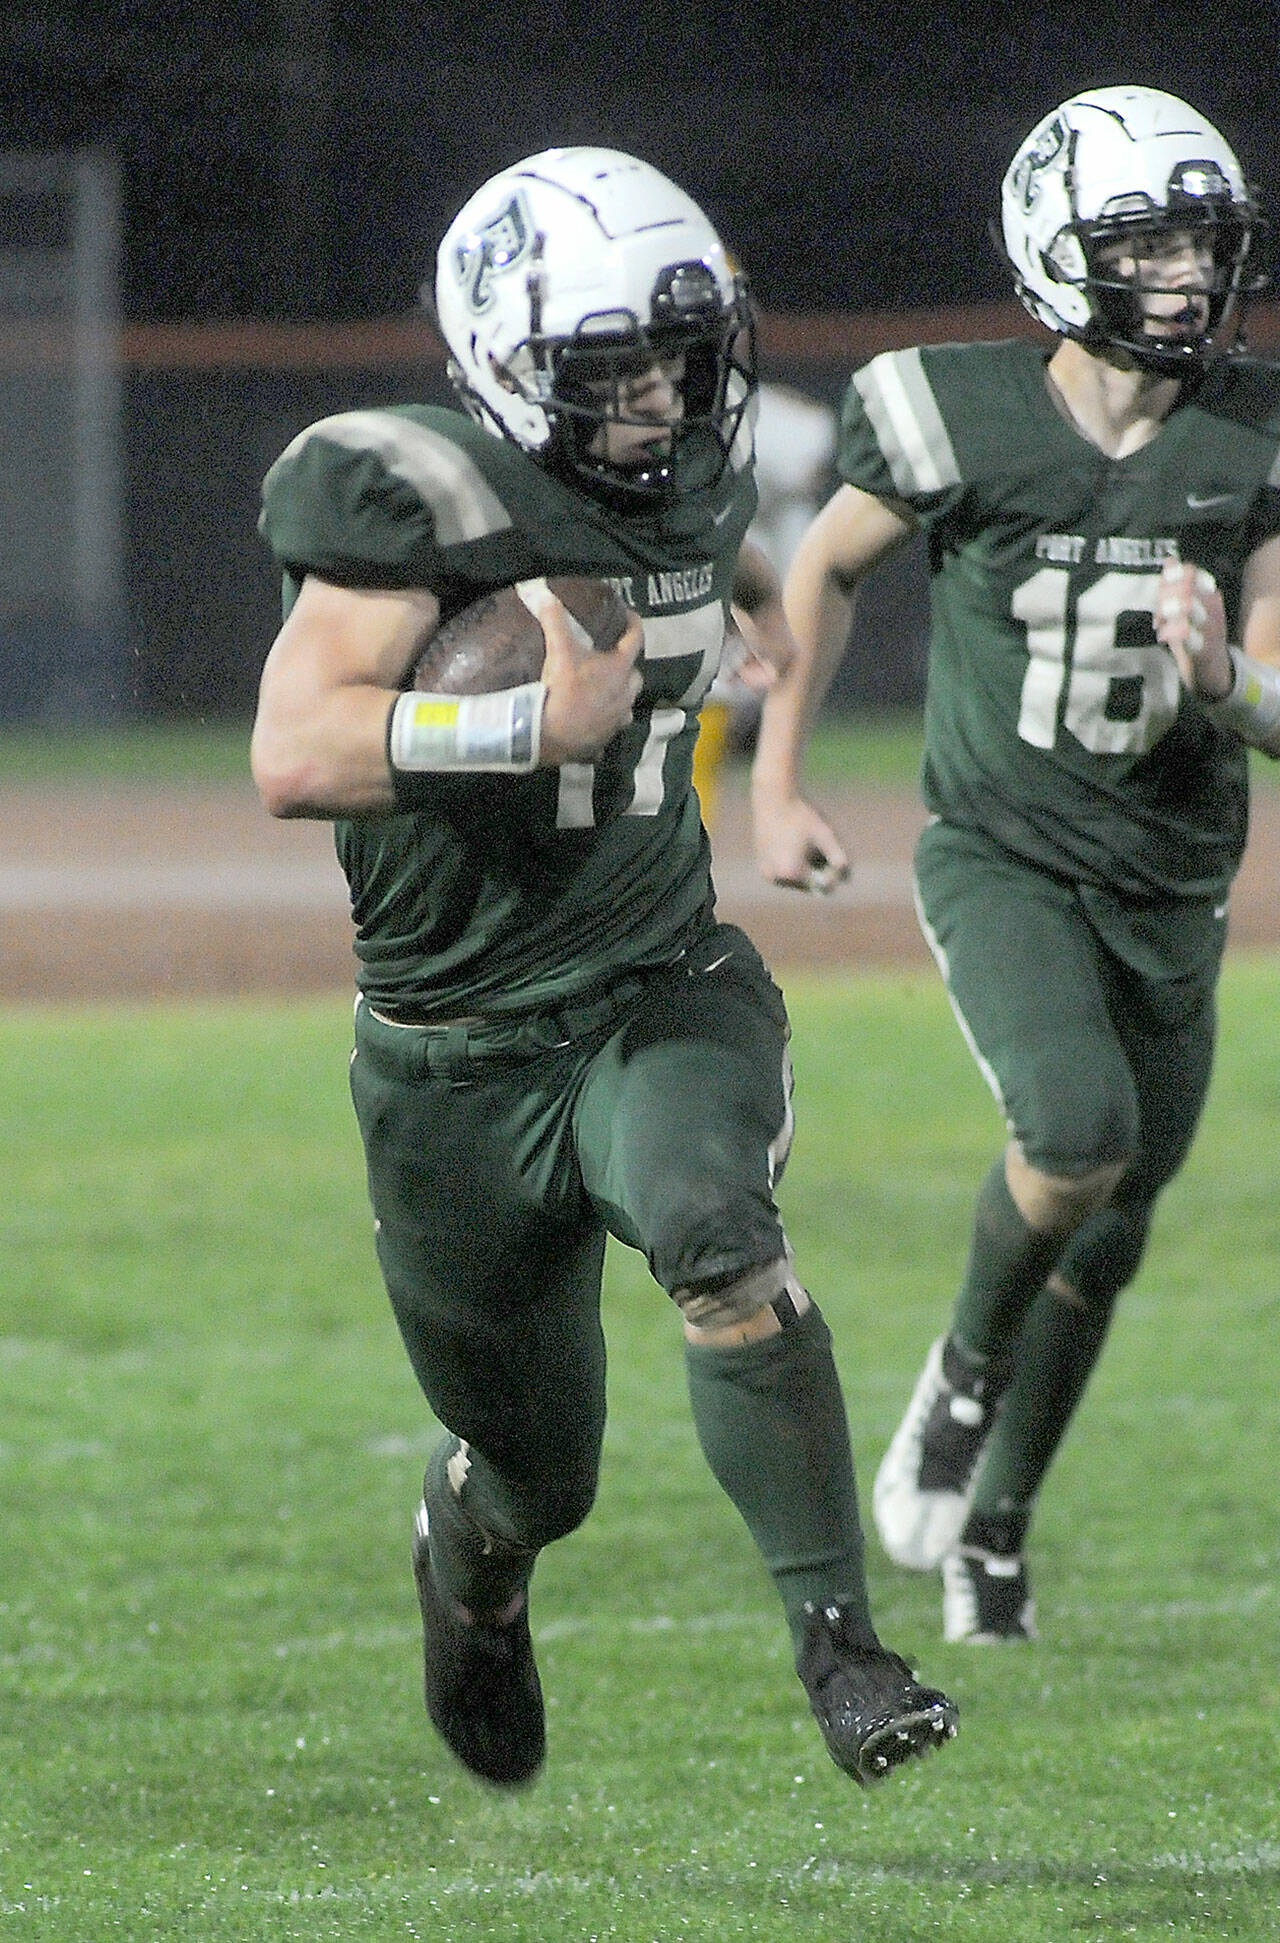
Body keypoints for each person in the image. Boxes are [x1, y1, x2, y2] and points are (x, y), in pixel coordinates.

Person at [251, 146, 957, 1786]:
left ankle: (843, 1648)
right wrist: (524, 724)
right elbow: (292, 752)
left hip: (656, 985)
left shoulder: (691, 473)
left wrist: (760, 626)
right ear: (505, 358)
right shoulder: (413, 492)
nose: (659, 399)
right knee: (540, 1471)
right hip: (451, 1052)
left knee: (720, 1232)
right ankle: (474, 1560)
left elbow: (723, 544)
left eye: (680, 360)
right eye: (613, 367)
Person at [752, 87, 1280, 1642]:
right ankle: (964, 1372)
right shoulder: (952, 410)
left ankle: (995, 1532)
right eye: (1151, 244)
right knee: (1075, 1126)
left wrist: (1226, 682)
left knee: (1107, 1236)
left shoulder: (1252, 435)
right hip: (1004, 852)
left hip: (1173, 885)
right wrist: (775, 782)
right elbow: (825, 567)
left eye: (1204, 243)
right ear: (1061, 251)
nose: (1189, 275)